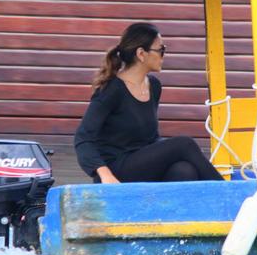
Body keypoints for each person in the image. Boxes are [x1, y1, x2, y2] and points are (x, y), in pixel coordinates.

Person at [74, 22, 224, 184]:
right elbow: (83, 139)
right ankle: (231, 195)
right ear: (141, 54)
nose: (163, 55)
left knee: (184, 170)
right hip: (116, 170)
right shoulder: (111, 91)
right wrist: (105, 175)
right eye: (161, 50)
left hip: (141, 164)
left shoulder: (154, 86)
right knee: (184, 144)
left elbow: (150, 138)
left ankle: (171, 209)